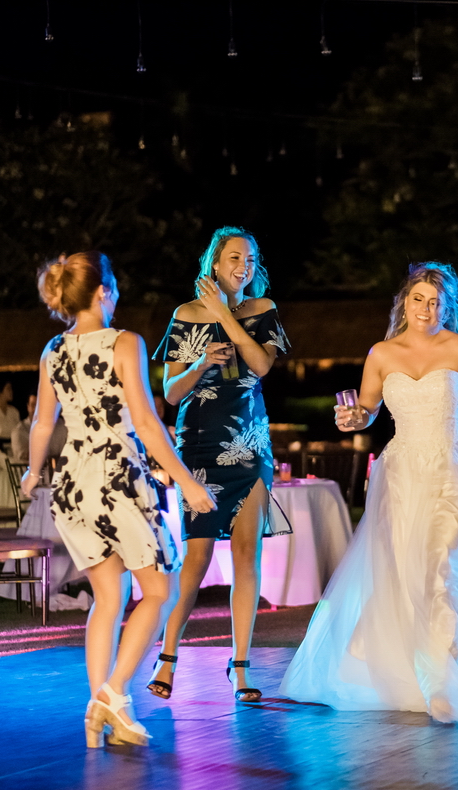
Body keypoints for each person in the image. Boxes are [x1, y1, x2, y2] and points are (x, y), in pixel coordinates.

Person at [279, 262, 458, 723]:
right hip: (402, 475)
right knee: (406, 573)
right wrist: (352, 419)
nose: (426, 308)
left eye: (435, 302)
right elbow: (367, 409)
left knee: (444, 567)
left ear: (448, 307)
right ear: (404, 303)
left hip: (453, 468)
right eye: (418, 299)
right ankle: (416, 669)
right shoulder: (382, 353)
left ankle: (443, 680)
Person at [20, 252, 213, 748]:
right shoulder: (125, 342)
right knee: (160, 592)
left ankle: (103, 711)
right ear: (103, 291)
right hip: (118, 480)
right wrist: (186, 481)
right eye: (116, 285)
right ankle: (113, 693)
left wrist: (32, 472)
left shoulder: (52, 350)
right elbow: (146, 422)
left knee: (108, 599)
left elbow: (43, 423)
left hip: (72, 487)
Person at [147, 226, 290, 704]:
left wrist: (225, 314)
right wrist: (201, 364)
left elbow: (262, 365)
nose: (243, 266)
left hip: (250, 446)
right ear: (214, 261)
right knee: (198, 556)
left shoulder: (262, 310)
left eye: (249, 259)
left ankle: (241, 665)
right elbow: (170, 393)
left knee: (248, 554)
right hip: (200, 446)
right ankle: (167, 656)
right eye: (234, 257)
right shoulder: (185, 316)